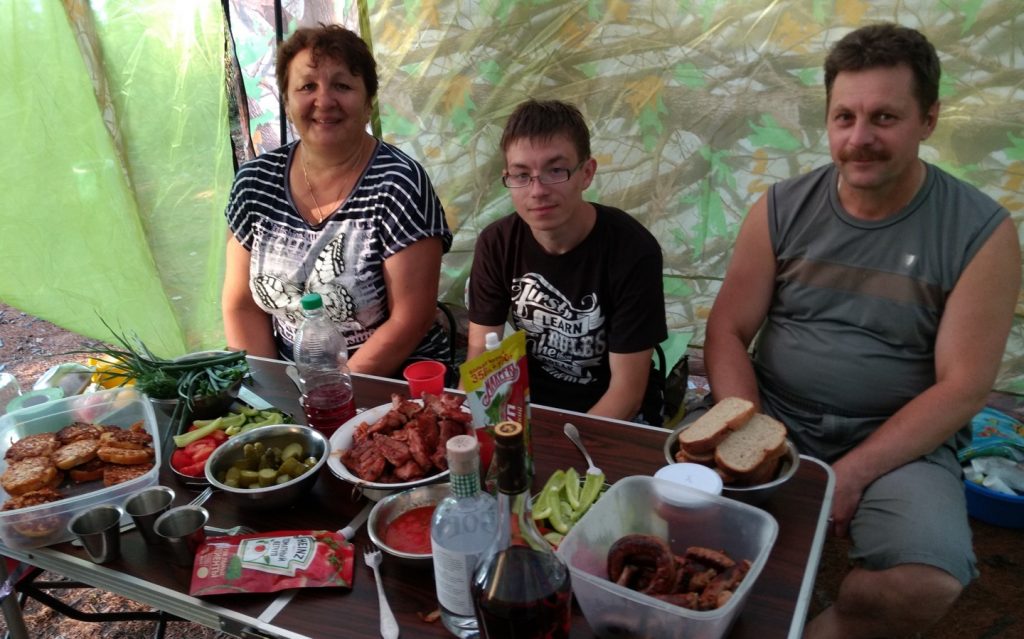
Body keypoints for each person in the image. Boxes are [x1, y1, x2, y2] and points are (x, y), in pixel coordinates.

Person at [704, 23, 1019, 638]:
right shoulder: (781, 207)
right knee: (669, 514)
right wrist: (754, 432)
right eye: (843, 117)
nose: (859, 138)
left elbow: (963, 387)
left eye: (884, 117)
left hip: (900, 439)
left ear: (928, 119)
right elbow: (726, 330)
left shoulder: (982, 232)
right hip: (771, 415)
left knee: (922, 582)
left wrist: (849, 474)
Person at [221, 24, 452, 376]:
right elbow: (242, 307)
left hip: (390, 380)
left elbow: (411, 318)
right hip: (293, 379)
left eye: (342, 86)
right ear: (286, 99)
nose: (324, 101)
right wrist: (270, 397)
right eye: (307, 86)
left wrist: (332, 396)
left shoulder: (399, 184)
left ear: (367, 101)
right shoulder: (255, 184)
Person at [467, 99, 667, 423]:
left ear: (586, 173)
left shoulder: (633, 250)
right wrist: (491, 428)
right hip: (530, 407)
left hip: (614, 417)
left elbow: (627, 394)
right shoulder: (497, 243)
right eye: (521, 175)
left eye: (555, 170)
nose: (537, 190)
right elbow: (480, 353)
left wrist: (557, 453)